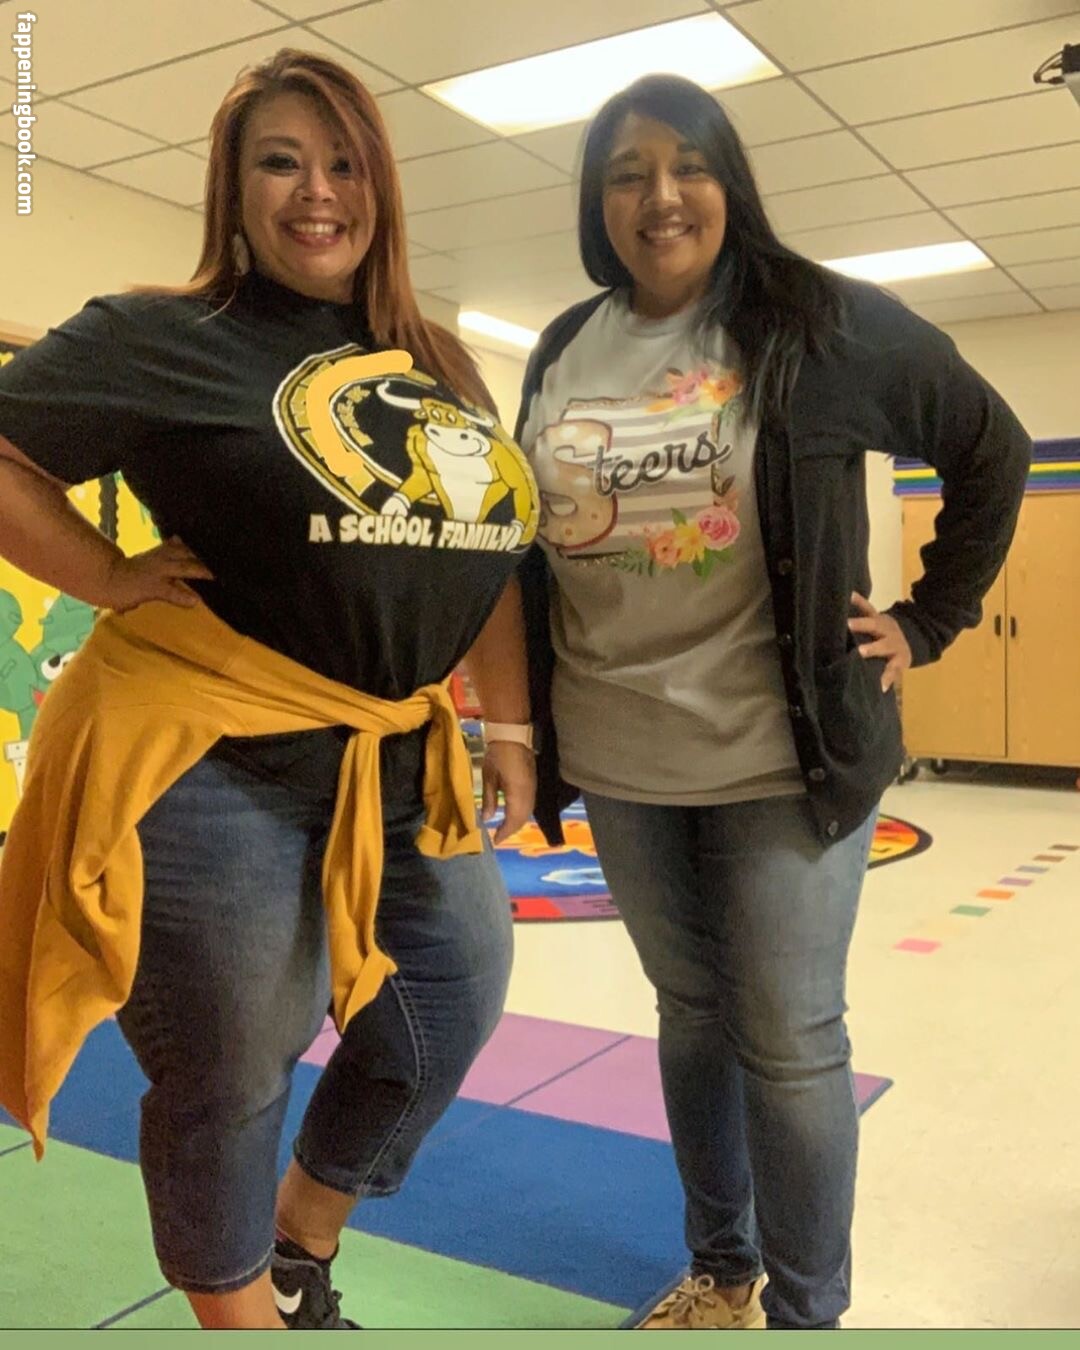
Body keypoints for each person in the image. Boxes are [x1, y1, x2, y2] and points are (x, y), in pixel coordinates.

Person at [0, 49, 540, 1331]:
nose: (317, 192)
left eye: (344, 163)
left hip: (391, 752)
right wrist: (107, 573)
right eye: (281, 163)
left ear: (382, 186)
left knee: (451, 995)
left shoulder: (438, 360)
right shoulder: (161, 335)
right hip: (213, 758)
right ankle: (241, 1307)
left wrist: (511, 724)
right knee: (235, 1065)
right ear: (232, 188)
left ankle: (299, 1241)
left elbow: (489, 549)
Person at [515, 74, 1031, 1330]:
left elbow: (992, 446)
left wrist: (927, 619)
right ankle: (721, 1269)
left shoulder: (819, 322)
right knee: (690, 1017)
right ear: (597, 203)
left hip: (778, 757)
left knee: (790, 1037)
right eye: (628, 173)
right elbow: (529, 541)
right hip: (621, 755)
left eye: (687, 165)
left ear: (729, 182)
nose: (661, 195)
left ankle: (807, 1314)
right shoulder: (565, 345)